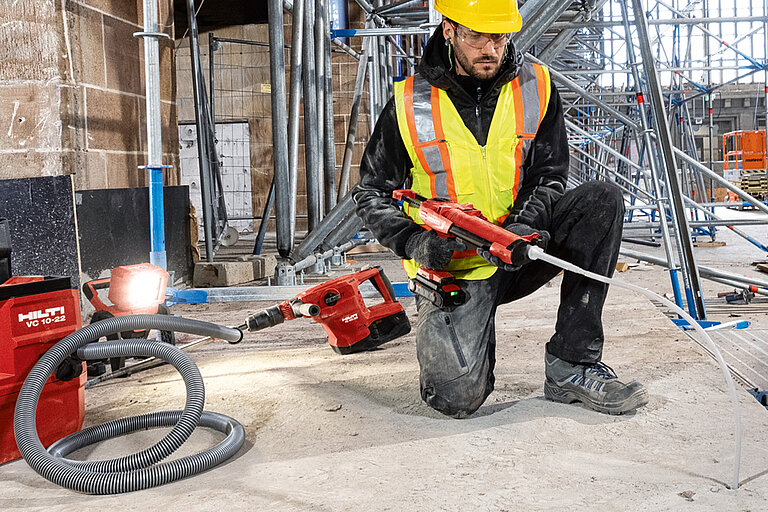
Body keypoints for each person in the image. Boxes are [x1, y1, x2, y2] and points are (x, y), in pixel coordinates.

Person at [353, 0, 648, 418]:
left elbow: (549, 174)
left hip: (518, 249)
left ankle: (572, 365)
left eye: (499, 35)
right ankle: (470, 339)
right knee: (454, 400)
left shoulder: (537, 85)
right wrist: (416, 243)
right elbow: (371, 193)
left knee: (600, 201)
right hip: (451, 268)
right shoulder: (409, 101)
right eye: (477, 35)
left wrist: (523, 226)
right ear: (450, 30)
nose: (490, 48)